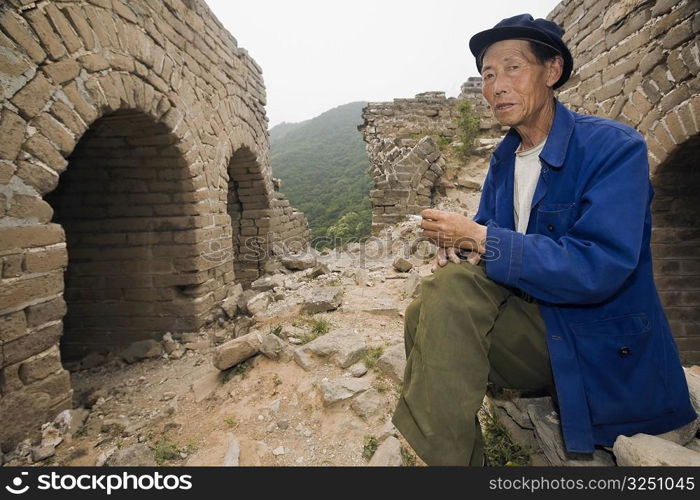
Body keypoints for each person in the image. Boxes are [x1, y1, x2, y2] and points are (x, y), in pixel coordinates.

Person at [391, 13, 698, 466]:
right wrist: (463, 249)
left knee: (446, 297)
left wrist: (482, 238)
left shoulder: (614, 148)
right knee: (433, 300)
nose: (496, 86)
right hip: (541, 328)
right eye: (487, 75)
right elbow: (491, 245)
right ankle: (458, 463)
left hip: (598, 341)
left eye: (512, 68)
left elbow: (598, 267)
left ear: (551, 71)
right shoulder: (503, 160)